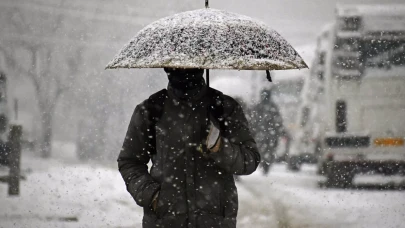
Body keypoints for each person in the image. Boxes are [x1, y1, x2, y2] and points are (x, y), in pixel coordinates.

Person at [117, 68, 260, 228]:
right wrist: (153, 196)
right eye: (176, 65)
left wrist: (220, 147)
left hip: (215, 222)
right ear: (166, 66)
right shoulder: (151, 110)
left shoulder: (224, 108)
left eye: (189, 66)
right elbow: (129, 162)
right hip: (165, 221)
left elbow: (250, 160)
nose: (184, 70)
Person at [252, 89, 283, 175]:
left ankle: (264, 163)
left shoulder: (258, 107)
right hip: (269, 135)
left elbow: (253, 121)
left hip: (263, 135)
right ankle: (265, 164)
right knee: (268, 150)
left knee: (264, 150)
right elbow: (278, 121)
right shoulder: (273, 107)